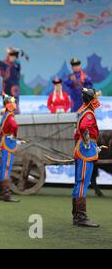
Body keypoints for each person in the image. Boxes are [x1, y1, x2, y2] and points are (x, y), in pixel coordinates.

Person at [71, 88, 101, 227]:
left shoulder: (84, 111)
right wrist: (88, 143)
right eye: (95, 97)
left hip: (82, 149)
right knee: (82, 182)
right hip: (85, 151)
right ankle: (81, 217)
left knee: (79, 182)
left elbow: (77, 132)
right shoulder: (88, 113)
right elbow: (83, 128)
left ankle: (77, 216)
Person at [0, 94, 21, 202]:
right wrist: (15, 136)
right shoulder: (10, 116)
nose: (15, 104)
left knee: (4, 167)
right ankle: (5, 194)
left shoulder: (6, 114)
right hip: (9, 142)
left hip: (5, 141)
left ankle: (2, 193)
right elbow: (15, 126)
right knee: (7, 167)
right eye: (13, 102)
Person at [0, 47, 21, 113]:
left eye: (11, 55)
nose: (9, 57)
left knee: (14, 105)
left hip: (13, 88)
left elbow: (7, 66)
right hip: (7, 88)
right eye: (9, 55)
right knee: (7, 105)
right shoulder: (7, 64)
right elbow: (3, 65)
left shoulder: (16, 64)